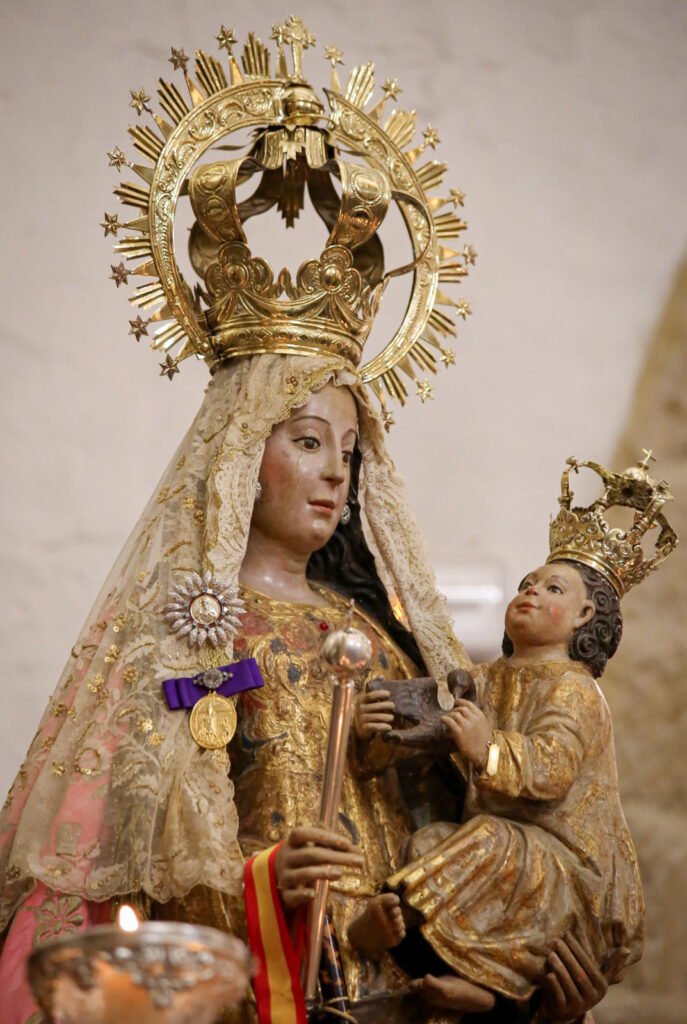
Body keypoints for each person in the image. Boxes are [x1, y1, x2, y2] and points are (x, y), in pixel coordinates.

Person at [0, 19, 634, 1024]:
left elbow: (476, 838)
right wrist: (266, 877)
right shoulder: (189, 643)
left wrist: (532, 965)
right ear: (236, 452)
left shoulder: (380, 639)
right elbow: (135, 894)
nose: (336, 472)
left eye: (350, 450)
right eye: (304, 440)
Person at [349, 452, 676, 1017]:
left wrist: (487, 748)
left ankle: (501, 989)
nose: (530, 592)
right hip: (507, 850)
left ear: (583, 617)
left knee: (487, 841)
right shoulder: (495, 676)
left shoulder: (575, 690)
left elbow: (553, 766)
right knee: (428, 846)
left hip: (565, 865)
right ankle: (446, 965)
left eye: (553, 589)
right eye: (528, 583)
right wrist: (383, 714)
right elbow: (438, 704)